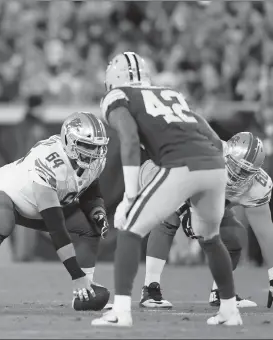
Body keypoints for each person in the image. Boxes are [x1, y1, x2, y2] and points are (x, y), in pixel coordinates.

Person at [91, 52, 242, 327]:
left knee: (128, 227)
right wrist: (221, 149)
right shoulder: (169, 93)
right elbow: (201, 125)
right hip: (214, 167)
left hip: (181, 165)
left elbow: (129, 138)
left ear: (113, 78)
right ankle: (230, 310)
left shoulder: (117, 97)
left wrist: (130, 195)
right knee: (211, 238)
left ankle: (121, 312)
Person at [0, 112, 110, 311]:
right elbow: (56, 228)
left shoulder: (94, 162)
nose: (94, 152)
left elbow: (90, 192)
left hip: (35, 207)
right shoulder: (50, 161)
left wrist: (97, 211)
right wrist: (76, 275)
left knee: (90, 228)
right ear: (69, 141)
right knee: (2, 223)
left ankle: (84, 293)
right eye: (87, 146)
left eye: (97, 146)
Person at [139, 132, 273, 309]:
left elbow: (266, 234)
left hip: (207, 199)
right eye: (237, 166)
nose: (239, 175)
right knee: (169, 217)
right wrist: (184, 211)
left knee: (234, 236)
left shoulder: (257, 185)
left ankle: (221, 292)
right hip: (163, 173)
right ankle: (150, 289)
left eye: (246, 172)